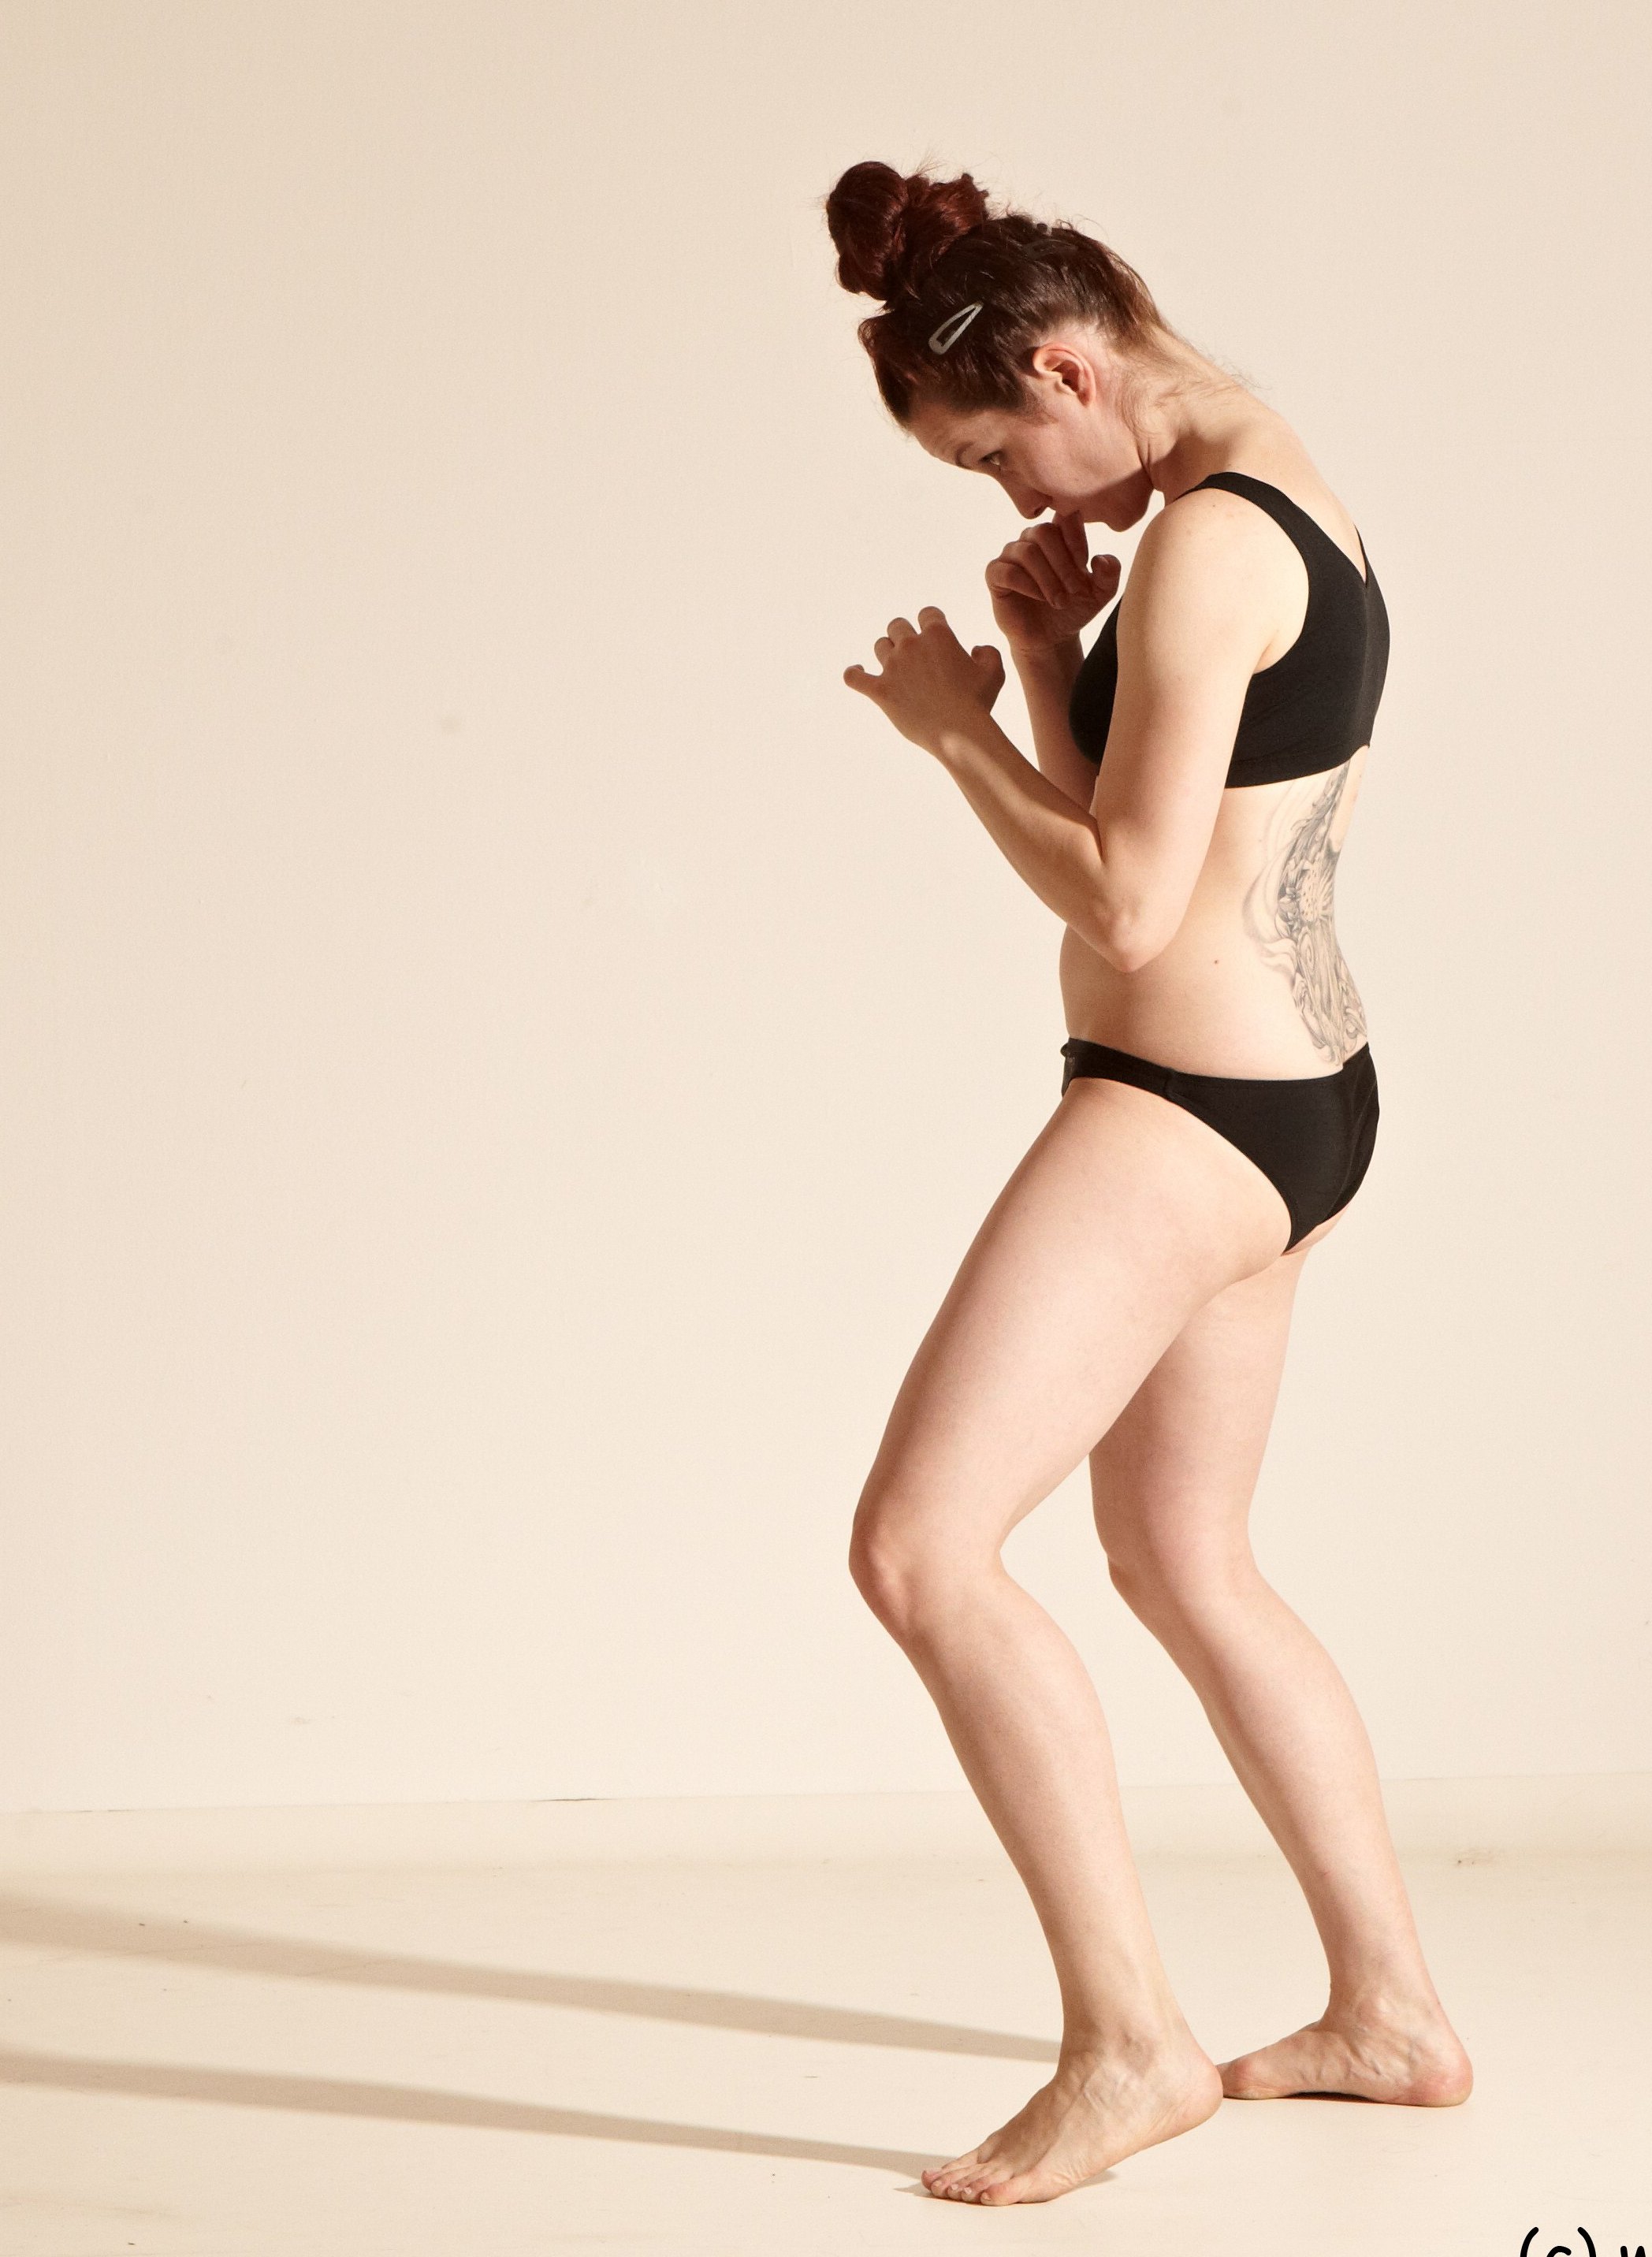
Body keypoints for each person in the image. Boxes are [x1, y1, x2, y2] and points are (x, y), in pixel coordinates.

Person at [824, 158, 1473, 2209]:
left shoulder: (1203, 542)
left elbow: (1124, 897)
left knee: (921, 1550)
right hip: (1293, 1103)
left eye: (996, 451)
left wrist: (950, 735)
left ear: (1065, 367)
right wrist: (1042, 664)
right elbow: (1183, 813)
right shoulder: (1282, 491)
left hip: (1186, 1107)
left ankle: (1129, 2051)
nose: (1017, 496)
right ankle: (1393, 2014)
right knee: (1188, 1562)